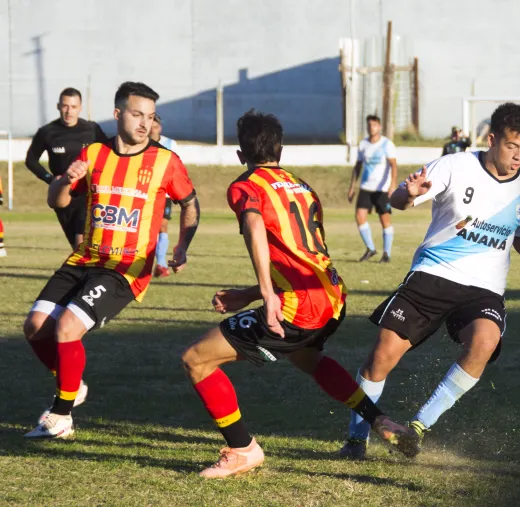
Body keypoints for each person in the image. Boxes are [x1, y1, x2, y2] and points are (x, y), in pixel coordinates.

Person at [180, 110, 417, 478]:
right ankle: (378, 419)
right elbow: (301, 255)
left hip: (299, 307)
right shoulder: (302, 186)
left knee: (196, 359)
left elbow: (256, 225)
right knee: (306, 358)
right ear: (281, 149)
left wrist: (266, 294)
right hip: (332, 297)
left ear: (241, 156)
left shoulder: (245, 185)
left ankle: (243, 449)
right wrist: (251, 294)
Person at [339, 103, 520, 460]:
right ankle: (356, 439)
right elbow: (399, 199)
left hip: (483, 289)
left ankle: (418, 427)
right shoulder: (455, 165)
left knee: (485, 342)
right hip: (432, 276)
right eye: (511, 146)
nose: (518, 156)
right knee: (380, 358)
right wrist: (409, 194)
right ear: (492, 139)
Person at [21, 82, 201, 439]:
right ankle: (72, 385)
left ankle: (62, 415)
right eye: (137, 115)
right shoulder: (93, 154)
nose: (144, 124)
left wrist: (183, 245)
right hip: (86, 257)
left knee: (67, 327)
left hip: (127, 268)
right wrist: (63, 181)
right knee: (34, 326)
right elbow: (56, 202)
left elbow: (190, 204)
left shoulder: (166, 160)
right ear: (118, 113)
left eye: (150, 117)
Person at [26, 88, 108, 250]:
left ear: (80, 108)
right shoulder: (47, 132)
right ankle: (84, 273)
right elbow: (31, 160)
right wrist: (50, 179)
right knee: (76, 247)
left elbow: (107, 153)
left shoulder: (91, 129)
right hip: (62, 193)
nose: (69, 111)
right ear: (58, 106)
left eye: (73, 106)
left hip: (87, 192)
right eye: (65, 106)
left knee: (81, 242)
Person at [347, 115, 397, 262]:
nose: (371, 127)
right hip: (366, 187)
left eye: (374, 125)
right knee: (359, 216)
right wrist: (352, 186)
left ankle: (386, 253)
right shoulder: (363, 144)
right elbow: (358, 166)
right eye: (369, 125)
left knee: (385, 220)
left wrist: (392, 184)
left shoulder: (387, 144)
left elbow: (393, 165)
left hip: (381, 188)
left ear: (379, 127)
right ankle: (371, 248)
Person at [149, 115, 180, 278]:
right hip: (145, 192)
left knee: (163, 225)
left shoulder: (170, 144)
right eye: (150, 126)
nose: (152, 130)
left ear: (159, 127)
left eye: (155, 127)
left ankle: (160, 264)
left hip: (164, 193)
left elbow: (176, 167)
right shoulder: (142, 143)